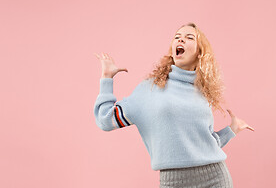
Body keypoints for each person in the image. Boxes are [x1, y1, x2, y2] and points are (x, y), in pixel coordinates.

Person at [94, 22, 254, 188]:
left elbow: (204, 144)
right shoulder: (149, 89)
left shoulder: (202, 93)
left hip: (215, 178)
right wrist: (107, 78)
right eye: (177, 37)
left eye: (189, 37)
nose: (181, 40)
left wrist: (232, 129)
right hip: (174, 182)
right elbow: (106, 119)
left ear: (200, 52)